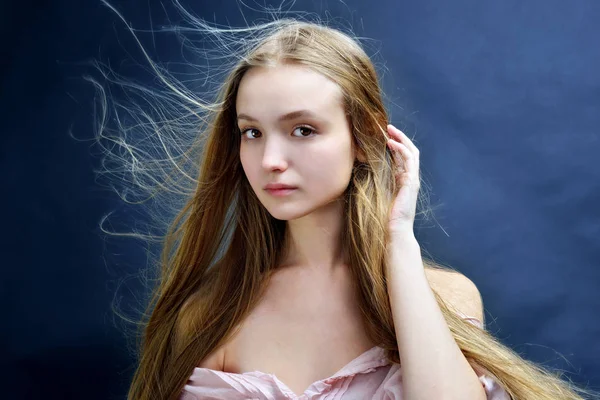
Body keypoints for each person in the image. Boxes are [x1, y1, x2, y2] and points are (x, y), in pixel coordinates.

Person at [92, 4, 598, 400]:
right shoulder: (208, 312)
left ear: (365, 138)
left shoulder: (446, 299)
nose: (270, 159)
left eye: (303, 130)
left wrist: (398, 242)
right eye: (251, 132)